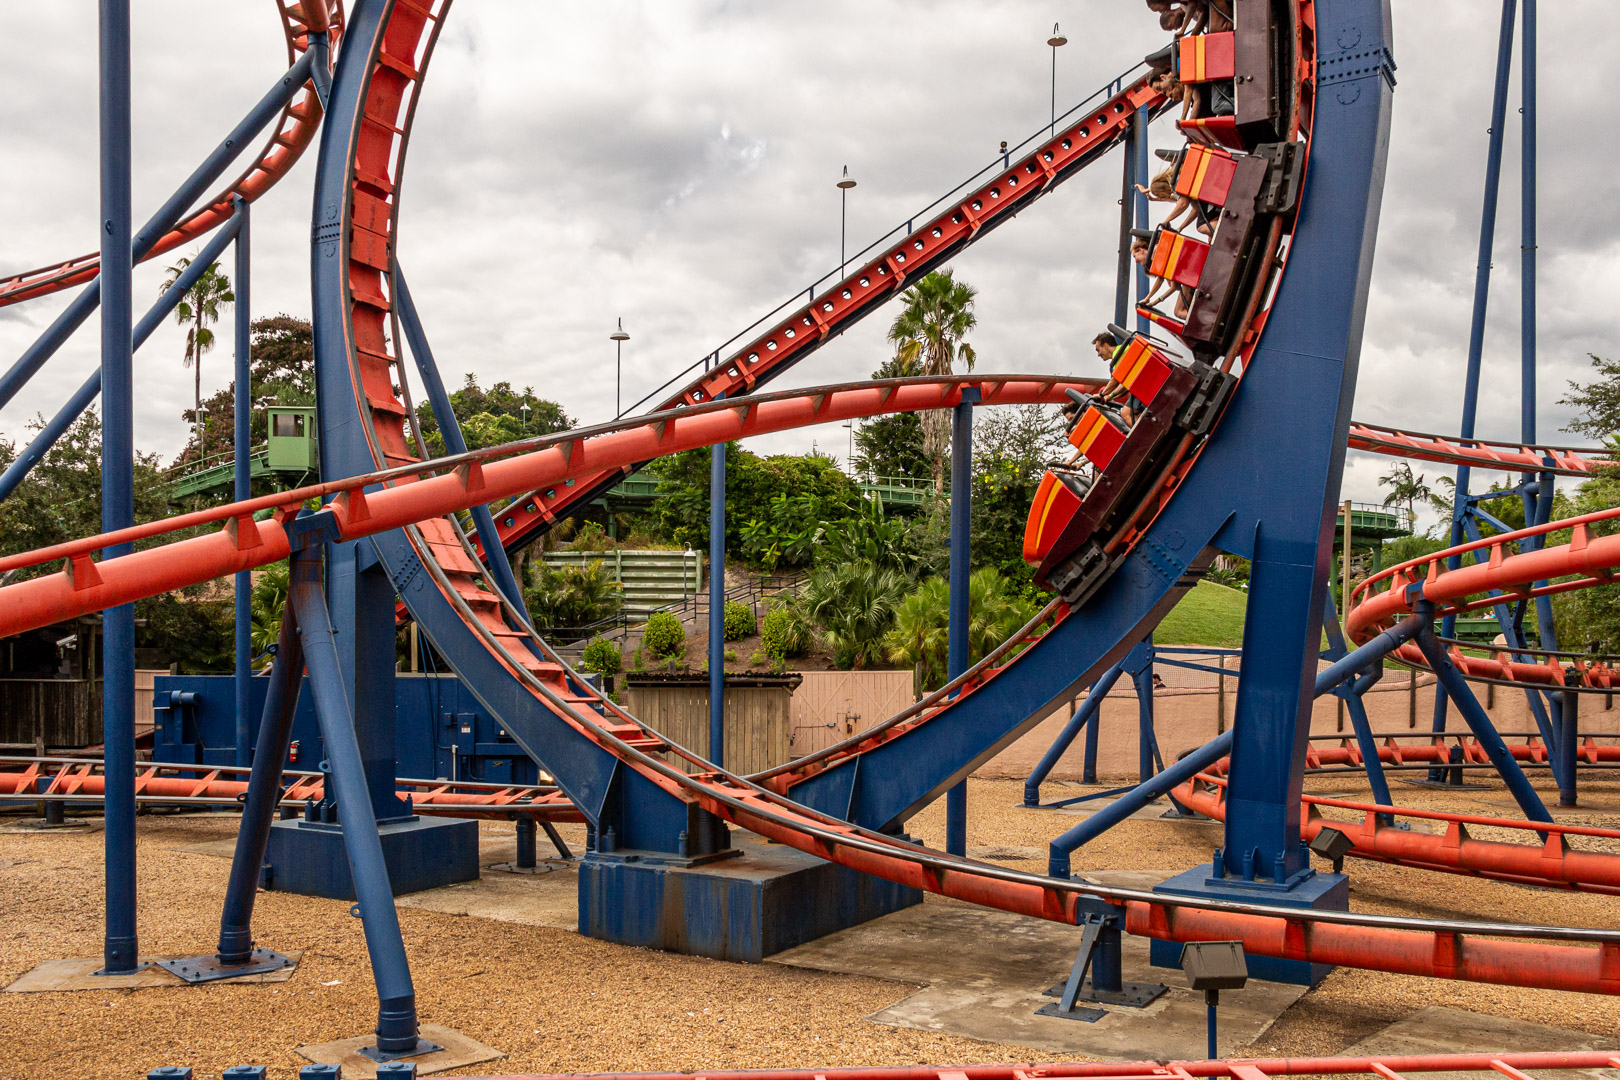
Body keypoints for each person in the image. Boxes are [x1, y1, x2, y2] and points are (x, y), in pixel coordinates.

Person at [1137, 165, 1212, 236]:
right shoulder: (1178, 183)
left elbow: (1183, 204)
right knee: (1208, 233)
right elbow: (1195, 209)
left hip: (1210, 194)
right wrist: (1180, 228)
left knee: (1202, 227)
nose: (1161, 198)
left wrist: (1166, 221)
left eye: (1160, 196)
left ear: (1162, 191)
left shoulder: (1176, 183)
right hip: (1209, 195)